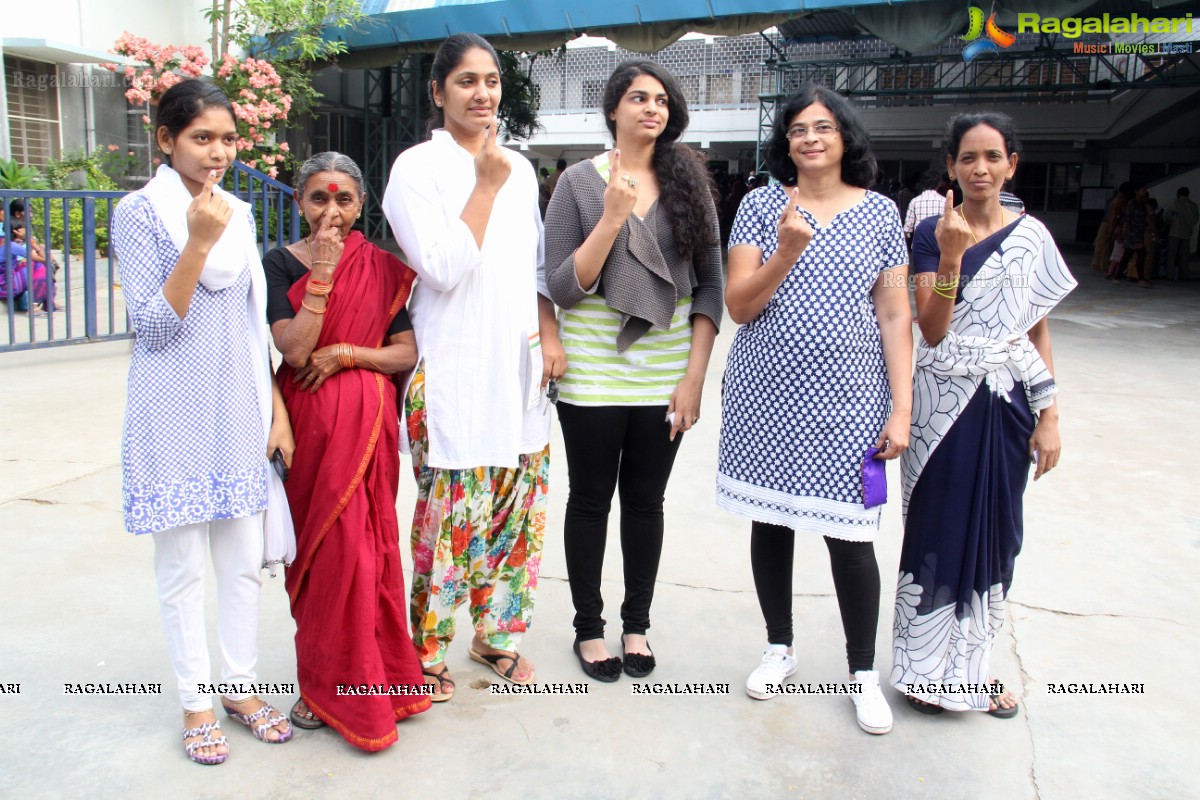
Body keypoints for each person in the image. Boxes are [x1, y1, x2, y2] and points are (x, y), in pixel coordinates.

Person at [110, 79, 295, 765]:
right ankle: (195, 702)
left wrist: (273, 408)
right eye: (201, 138)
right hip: (174, 410)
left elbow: (253, 327)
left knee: (244, 564)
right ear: (166, 140)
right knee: (183, 568)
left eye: (226, 138)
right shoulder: (140, 213)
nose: (217, 152)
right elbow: (154, 328)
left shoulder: (238, 213)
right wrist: (196, 242)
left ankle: (241, 689)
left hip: (239, 407)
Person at [718, 84, 913, 735]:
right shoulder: (759, 207)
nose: (810, 138)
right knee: (771, 524)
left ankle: (861, 673)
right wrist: (787, 252)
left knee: (852, 537)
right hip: (766, 396)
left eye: (823, 127)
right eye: (798, 129)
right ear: (786, 142)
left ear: (844, 138)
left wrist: (902, 408)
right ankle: (780, 646)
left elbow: (894, 312)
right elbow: (740, 305)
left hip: (853, 400)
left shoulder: (882, 213)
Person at [382, 32, 563, 698]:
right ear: (438, 92)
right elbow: (442, 267)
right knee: (449, 517)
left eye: (490, 80)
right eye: (466, 81)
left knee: (516, 511)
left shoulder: (517, 167)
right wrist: (484, 186)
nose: (483, 93)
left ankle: (497, 638)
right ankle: (426, 652)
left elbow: (537, 268)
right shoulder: (415, 170)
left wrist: (548, 336)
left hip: (517, 369)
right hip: (453, 368)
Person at [544, 60, 723, 682]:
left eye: (662, 100)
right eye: (639, 98)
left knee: (647, 502)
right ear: (613, 109)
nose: (653, 108)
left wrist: (695, 376)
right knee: (591, 501)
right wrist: (614, 217)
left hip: (665, 373)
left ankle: (637, 623)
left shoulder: (688, 184)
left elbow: (709, 287)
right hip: (592, 371)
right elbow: (564, 286)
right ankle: (588, 629)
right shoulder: (576, 183)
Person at [893, 112, 1075, 719]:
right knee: (937, 530)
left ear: (1011, 165)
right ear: (950, 166)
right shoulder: (931, 231)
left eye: (992, 157)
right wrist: (949, 258)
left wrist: (1048, 415)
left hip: (1008, 402)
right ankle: (923, 672)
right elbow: (934, 332)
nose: (980, 168)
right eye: (967, 158)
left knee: (998, 537)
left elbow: (1037, 330)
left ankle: (977, 670)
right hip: (942, 404)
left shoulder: (1033, 238)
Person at [263, 152, 431, 749]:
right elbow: (297, 352)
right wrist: (324, 281)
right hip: (310, 437)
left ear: (360, 205)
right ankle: (324, 686)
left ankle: (376, 682)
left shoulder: (383, 268)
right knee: (323, 563)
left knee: (367, 554)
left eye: (343, 200)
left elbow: (404, 353)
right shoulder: (280, 264)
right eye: (317, 198)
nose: (331, 211)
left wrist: (351, 356)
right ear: (300, 204)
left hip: (367, 434)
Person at [1109, 185, 1149, 285]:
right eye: (1143, 189)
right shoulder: (1132, 203)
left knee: (1134, 255)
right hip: (1132, 234)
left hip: (1139, 233)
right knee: (1132, 255)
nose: (1144, 191)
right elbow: (1127, 219)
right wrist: (1124, 233)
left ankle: (1122, 277)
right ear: (1137, 191)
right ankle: (1138, 278)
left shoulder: (1143, 204)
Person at [1092, 183, 1132, 272]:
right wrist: (1112, 228)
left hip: (1109, 223)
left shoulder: (1119, 199)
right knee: (1104, 245)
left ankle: (1100, 264)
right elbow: (1113, 216)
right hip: (1109, 224)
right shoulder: (1119, 200)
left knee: (1104, 245)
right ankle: (1102, 265)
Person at [904, 169, 947, 246]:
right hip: (939, 244)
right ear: (938, 184)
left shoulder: (914, 201)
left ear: (923, 184)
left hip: (919, 244)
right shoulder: (945, 202)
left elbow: (907, 229)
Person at [1166, 187, 1199, 280]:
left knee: (1172, 255)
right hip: (1186, 233)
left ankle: (1170, 274)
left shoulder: (1175, 203)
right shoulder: (1193, 205)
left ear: (1178, 194)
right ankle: (1184, 275)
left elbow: (1168, 216)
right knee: (1184, 256)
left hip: (1174, 231)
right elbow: (1195, 219)